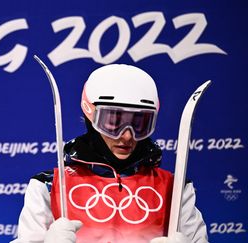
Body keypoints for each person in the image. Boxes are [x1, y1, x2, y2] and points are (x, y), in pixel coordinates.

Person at [12, 64, 208, 243]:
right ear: (91, 117)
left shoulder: (174, 188)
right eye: (114, 121)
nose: (126, 136)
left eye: (139, 124)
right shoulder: (49, 185)